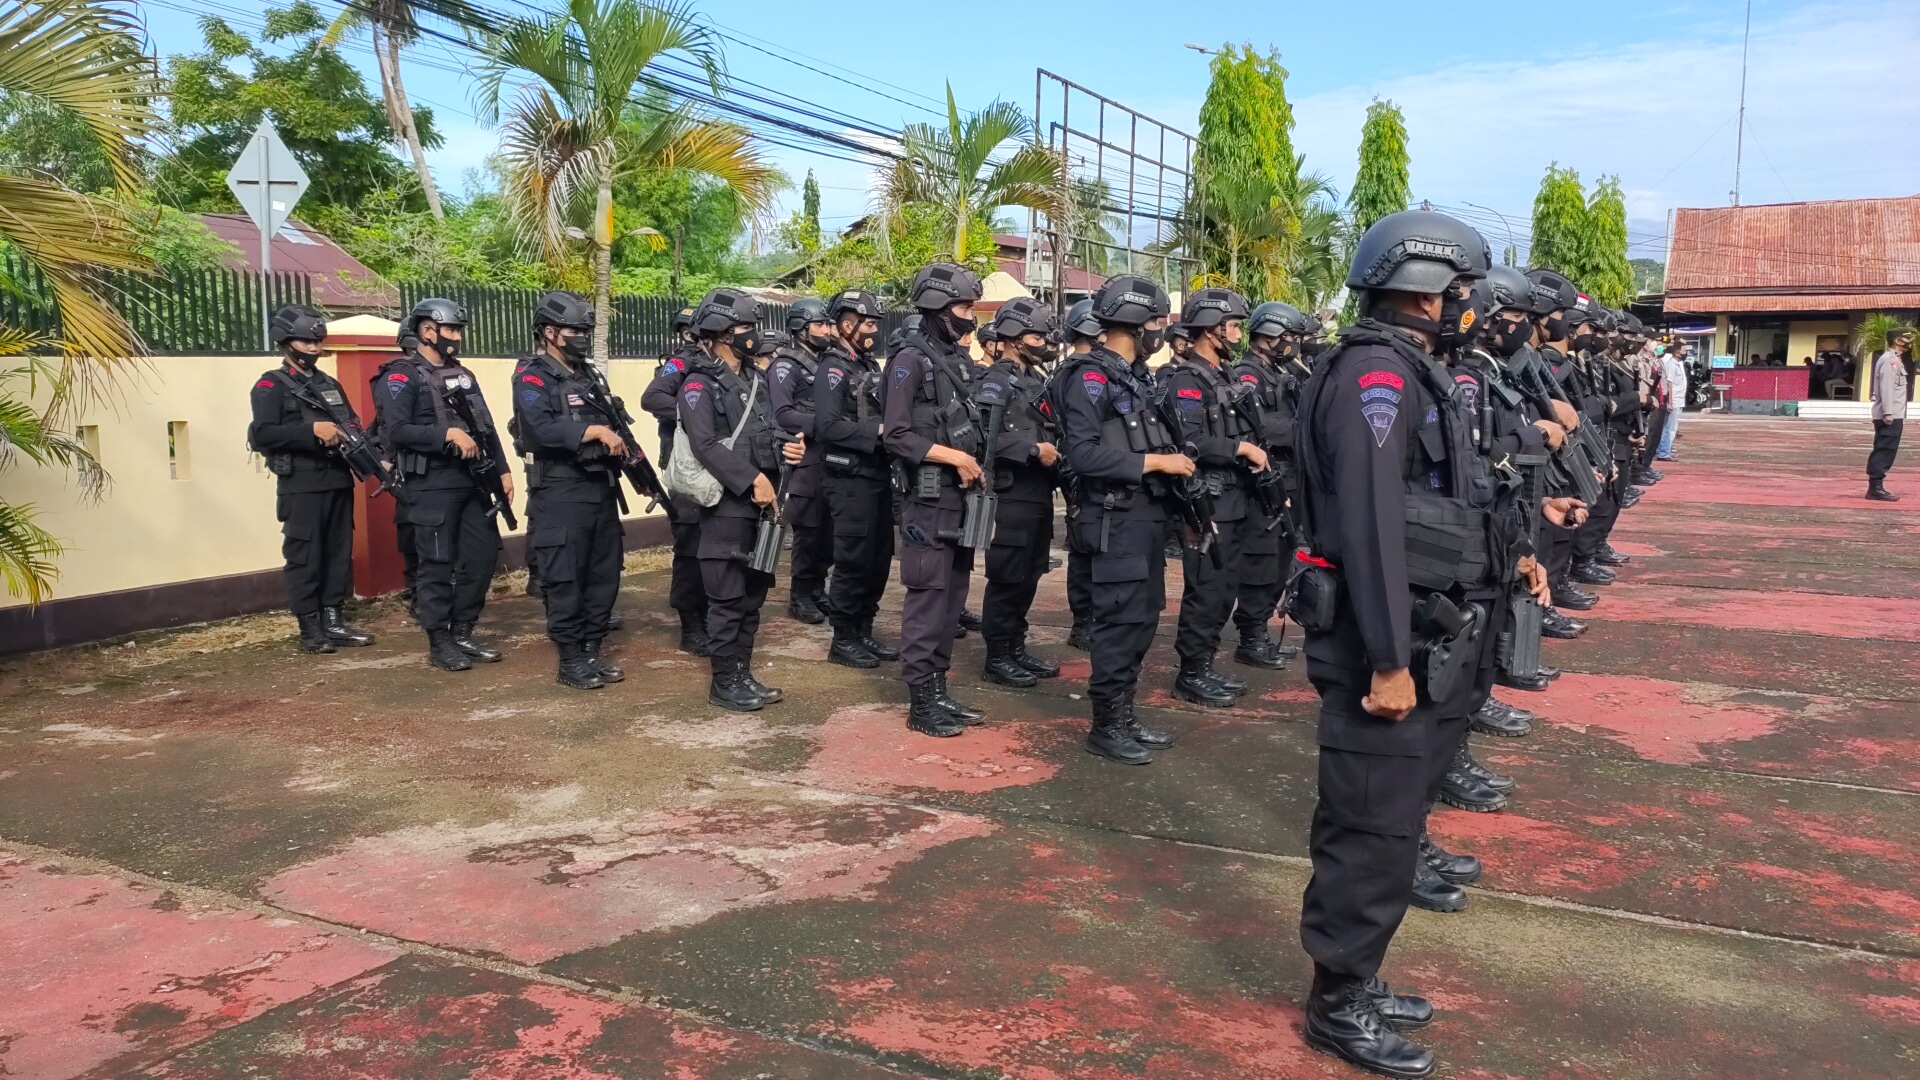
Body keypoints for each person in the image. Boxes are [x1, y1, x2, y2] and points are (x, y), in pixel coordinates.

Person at [1292, 209, 1507, 1079]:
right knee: (1369, 825)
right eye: (1459, 291)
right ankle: (1336, 1003)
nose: (1467, 306)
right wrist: (1385, 658)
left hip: (1414, 637)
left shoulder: (1407, 368)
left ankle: (1358, 975)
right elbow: (1374, 529)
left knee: (1387, 821)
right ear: (1421, 290)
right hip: (1377, 644)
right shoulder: (1375, 378)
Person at [1055, 274, 1195, 764]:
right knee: (1118, 624)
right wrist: (1157, 464)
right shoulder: (1088, 377)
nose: (1161, 330)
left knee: (1140, 620)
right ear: (1138, 322)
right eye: (1158, 321)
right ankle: (1106, 725)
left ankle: (1125, 715)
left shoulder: (1137, 378)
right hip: (1115, 520)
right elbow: (1083, 454)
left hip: (1147, 519)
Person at [677, 289, 803, 708]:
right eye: (745, 328)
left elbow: (769, 429)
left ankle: (742, 674)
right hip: (727, 506)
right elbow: (705, 443)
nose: (753, 335)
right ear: (721, 333)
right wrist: (751, 479)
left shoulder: (755, 377)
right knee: (727, 598)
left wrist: (790, 449)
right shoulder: (698, 384)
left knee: (752, 595)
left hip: (763, 503)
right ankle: (723, 682)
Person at [884, 263, 990, 737]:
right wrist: (953, 457)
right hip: (928, 501)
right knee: (927, 601)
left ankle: (939, 689)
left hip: (961, 500)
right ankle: (920, 702)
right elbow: (896, 434)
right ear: (937, 307)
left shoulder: (955, 358)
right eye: (964, 308)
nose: (970, 317)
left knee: (953, 599)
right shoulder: (908, 360)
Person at [378, 298, 510, 671]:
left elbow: (485, 425)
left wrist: (502, 469)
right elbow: (398, 431)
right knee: (436, 564)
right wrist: (446, 433)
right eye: (451, 330)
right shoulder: (401, 375)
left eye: (458, 331)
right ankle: (439, 641)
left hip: (473, 480)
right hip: (431, 484)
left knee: (482, 557)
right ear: (427, 331)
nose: (456, 337)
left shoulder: (463, 375)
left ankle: (463, 630)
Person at [510, 291, 627, 689]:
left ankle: (592, 648)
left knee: (603, 573)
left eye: (585, 330)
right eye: (575, 330)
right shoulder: (531, 376)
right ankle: (571, 658)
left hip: (599, 486)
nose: (582, 337)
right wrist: (589, 430)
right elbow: (538, 430)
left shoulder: (589, 375)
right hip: (559, 490)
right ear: (549, 332)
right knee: (566, 577)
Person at [1161, 287, 1267, 707]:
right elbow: (1189, 440)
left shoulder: (1223, 376)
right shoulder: (1186, 379)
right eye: (1234, 326)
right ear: (1212, 329)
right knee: (1205, 587)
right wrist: (1239, 449)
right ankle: (1190, 672)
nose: (1239, 335)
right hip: (1208, 501)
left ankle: (1204, 664)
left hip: (1236, 499)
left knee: (1225, 588)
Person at [248, 304, 375, 653]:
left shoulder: (328, 383)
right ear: (286, 342)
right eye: (306, 341)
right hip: (301, 484)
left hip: (337, 478)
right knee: (306, 555)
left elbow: (350, 422)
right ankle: (310, 626)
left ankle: (334, 620)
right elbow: (264, 433)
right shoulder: (270, 385)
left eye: (317, 341)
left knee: (337, 553)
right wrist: (310, 431)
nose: (314, 348)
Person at [975, 297, 1065, 689]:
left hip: (1038, 492)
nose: (1043, 341)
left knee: (1030, 574)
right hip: (1010, 495)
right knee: (1008, 577)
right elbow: (982, 441)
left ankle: (1015, 645)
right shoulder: (996, 380)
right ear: (1012, 336)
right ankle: (997, 655)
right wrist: (1031, 450)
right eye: (1035, 334)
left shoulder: (1033, 378)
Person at [814, 288, 899, 668]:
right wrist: (878, 433)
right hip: (849, 478)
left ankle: (864, 629)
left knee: (878, 558)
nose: (873, 330)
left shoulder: (866, 365)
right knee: (852, 560)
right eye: (868, 323)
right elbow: (828, 426)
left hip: (877, 475)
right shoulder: (832, 368)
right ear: (846, 325)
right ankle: (844, 637)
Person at [1229, 300, 1313, 669]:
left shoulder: (1281, 373)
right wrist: (1302, 429)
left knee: (1281, 560)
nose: (1294, 345)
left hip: (1286, 480)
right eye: (1290, 337)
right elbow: (1257, 427)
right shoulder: (1248, 374)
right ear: (1270, 336)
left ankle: (1260, 630)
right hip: (1262, 483)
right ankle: (1250, 637)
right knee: (1260, 563)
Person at [641, 309, 711, 656]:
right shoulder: (681, 363)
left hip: (718, 466)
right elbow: (653, 399)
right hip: (686, 470)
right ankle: (691, 623)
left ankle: (712, 616)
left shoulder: (724, 363)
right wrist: (697, 414)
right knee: (691, 548)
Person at [770, 298, 835, 624]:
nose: (827, 330)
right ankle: (800, 595)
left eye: (827, 324)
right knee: (808, 531)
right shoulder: (786, 365)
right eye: (820, 325)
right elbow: (781, 413)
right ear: (800, 328)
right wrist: (822, 425)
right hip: (804, 458)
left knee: (828, 530)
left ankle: (817, 589)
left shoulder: (825, 361)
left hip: (830, 456)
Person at [1051, 298, 1102, 652]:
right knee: (1083, 548)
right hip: (1077, 468)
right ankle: (1082, 620)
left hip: (1087, 464)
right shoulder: (1077, 372)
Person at [1868, 329, 1914, 501]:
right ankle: (1875, 488)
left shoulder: (1895, 360)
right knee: (1884, 449)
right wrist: (1888, 413)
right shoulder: (1890, 361)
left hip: (1894, 413)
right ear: (1897, 341)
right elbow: (1887, 388)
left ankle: (1876, 487)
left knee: (1887, 449)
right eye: (1906, 338)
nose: (1909, 341)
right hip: (1890, 414)